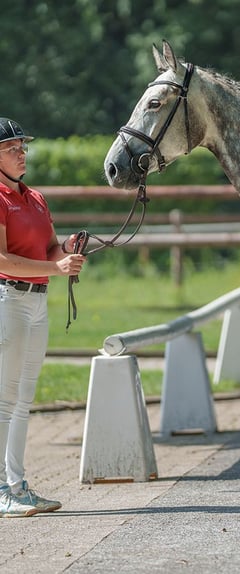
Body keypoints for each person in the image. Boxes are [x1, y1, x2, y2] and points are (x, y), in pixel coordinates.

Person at [0, 118, 85, 517]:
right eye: (12, 148)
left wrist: (65, 250)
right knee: (4, 399)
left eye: (22, 147)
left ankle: (16, 485)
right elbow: (1, 259)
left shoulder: (34, 197)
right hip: (9, 301)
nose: (22, 154)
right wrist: (57, 269)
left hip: (36, 301)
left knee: (23, 399)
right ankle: (2, 488)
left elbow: (49, 246)